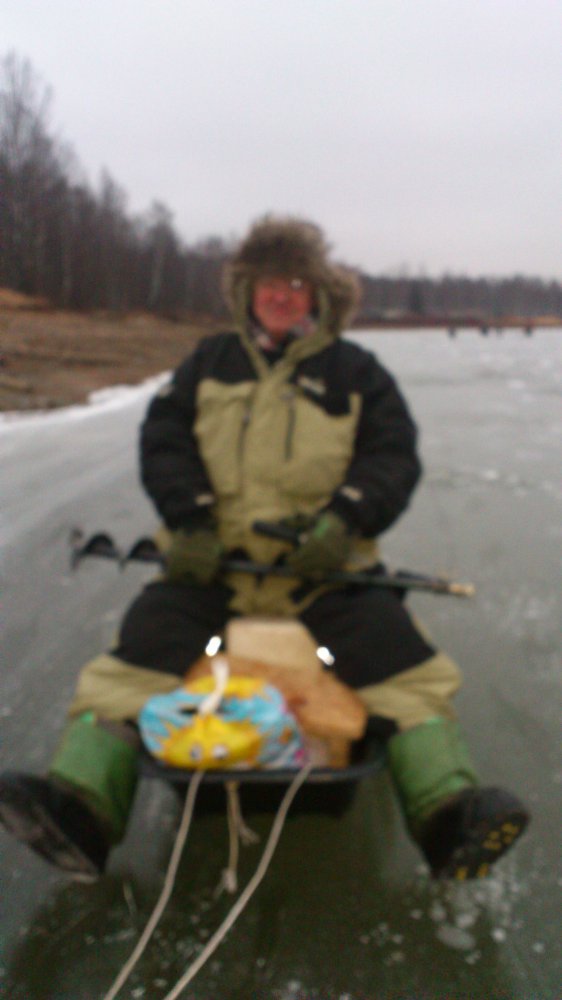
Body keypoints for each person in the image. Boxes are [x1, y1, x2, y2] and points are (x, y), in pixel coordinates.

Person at [0, 216, 529, 882]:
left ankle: (447, 815)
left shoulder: (357, 372)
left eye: (296, 284)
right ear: (246, 291)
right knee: (140, 652)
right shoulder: (207, 364)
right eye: (269, 283)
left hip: (326, 574)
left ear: (319, 295)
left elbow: (393, 457)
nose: (281, 295)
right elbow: (165, 443)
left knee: (402, 661)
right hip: (214, 570)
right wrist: (190, 522)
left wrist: (343, 521)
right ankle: (82, 809)